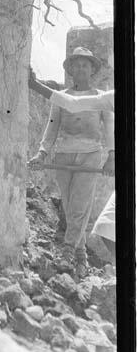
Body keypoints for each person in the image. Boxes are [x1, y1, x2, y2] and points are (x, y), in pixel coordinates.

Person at [28, 47, 114, 275]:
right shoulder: (62, 97)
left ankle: (67, 251)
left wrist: (112, 156)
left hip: (90, 155)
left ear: (92, 69)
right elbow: (52, 125)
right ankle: (81, 255)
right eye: (76, 64)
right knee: (70, 206)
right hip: (64, 155)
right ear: (71, 70)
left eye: (85, 64)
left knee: (78, 205)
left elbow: (110, 128)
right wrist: (42, 153)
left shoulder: (101, 97)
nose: (81, 68)